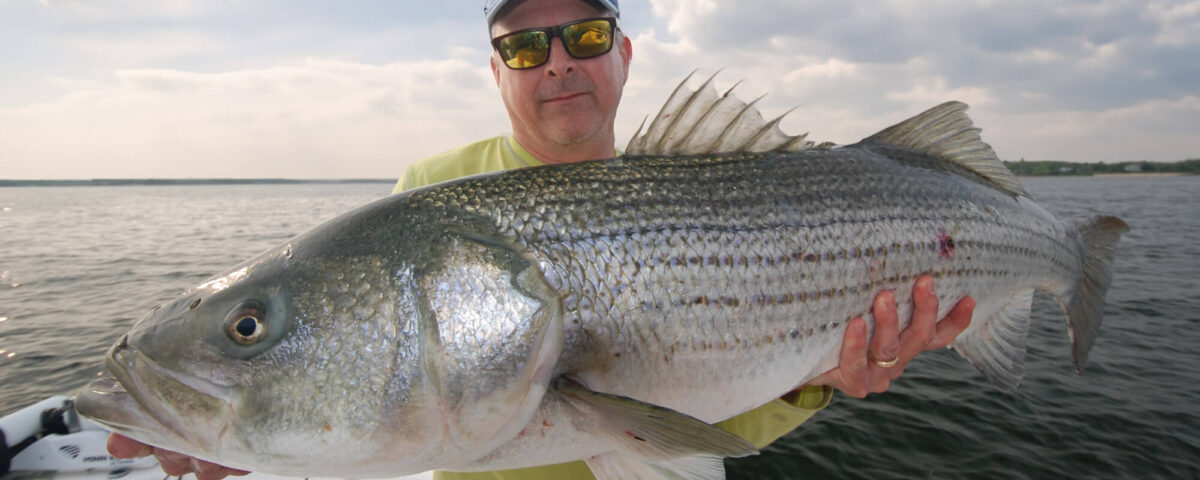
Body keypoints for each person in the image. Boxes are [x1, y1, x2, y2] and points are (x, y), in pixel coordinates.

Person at [108, 1, 976, 479]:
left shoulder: (700, 178)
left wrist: (817, 383)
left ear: (625, 55)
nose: (557, 61)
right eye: (524, 46)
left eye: (585, 37)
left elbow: (707, 416)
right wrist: (246, 445)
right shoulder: (425, 198)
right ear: (498, 71)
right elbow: (374, 401)